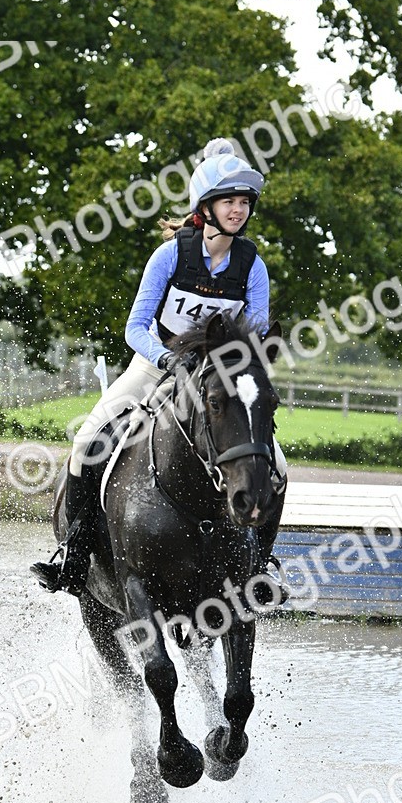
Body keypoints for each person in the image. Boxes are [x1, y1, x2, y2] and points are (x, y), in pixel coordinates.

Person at [32, 137, 286, 595]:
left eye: (244, 202)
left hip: (221, 377)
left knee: (278, 466)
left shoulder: (253, 266)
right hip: (156, 366)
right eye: (228, 200)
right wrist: (168, 360)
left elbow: (257, 333)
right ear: (205, 207)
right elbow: (135, 328)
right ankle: (74, 550)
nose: (238, 209)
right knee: (88, 440)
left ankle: (261, 566)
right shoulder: (170, 255)